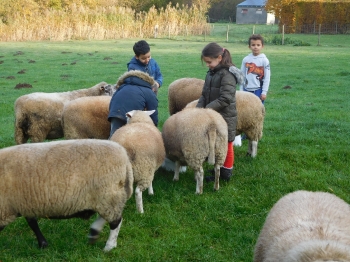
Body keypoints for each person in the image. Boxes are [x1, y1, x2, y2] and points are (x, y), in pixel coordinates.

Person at [196, 42, 245, 182]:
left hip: (225, 116)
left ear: (219, 57)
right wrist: (197, 110)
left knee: (227, 143)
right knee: (216, 142)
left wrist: (206, 110)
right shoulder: (211, 73)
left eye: (209, 62)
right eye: (206, 62)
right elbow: (204, 95)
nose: (207, 65)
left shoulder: (228, 74)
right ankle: (220, 167)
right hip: (212, 114)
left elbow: (226, 99)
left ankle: (226, 173)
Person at [108, 70, 158, 138]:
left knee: (115, 137)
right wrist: (154, 128)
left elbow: (113, 100)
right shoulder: (149, 91)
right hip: (133, 117)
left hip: (116, 114)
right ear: (153, 88)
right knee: (133, 139)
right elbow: (153, 112)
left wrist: (113, 113)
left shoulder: (122, 87)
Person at [240, 34, 271, 104]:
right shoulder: (246, 60)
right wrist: (241, 90)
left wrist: (264, 92)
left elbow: (267, 77)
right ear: (249, 46)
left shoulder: (264, 60)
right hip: (246, 90)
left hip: (258, 90)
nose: (255, 47)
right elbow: (242, 75)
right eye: (253, 45)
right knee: (246, 110)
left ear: (262, 46)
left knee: (258, 112)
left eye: (258, 45)